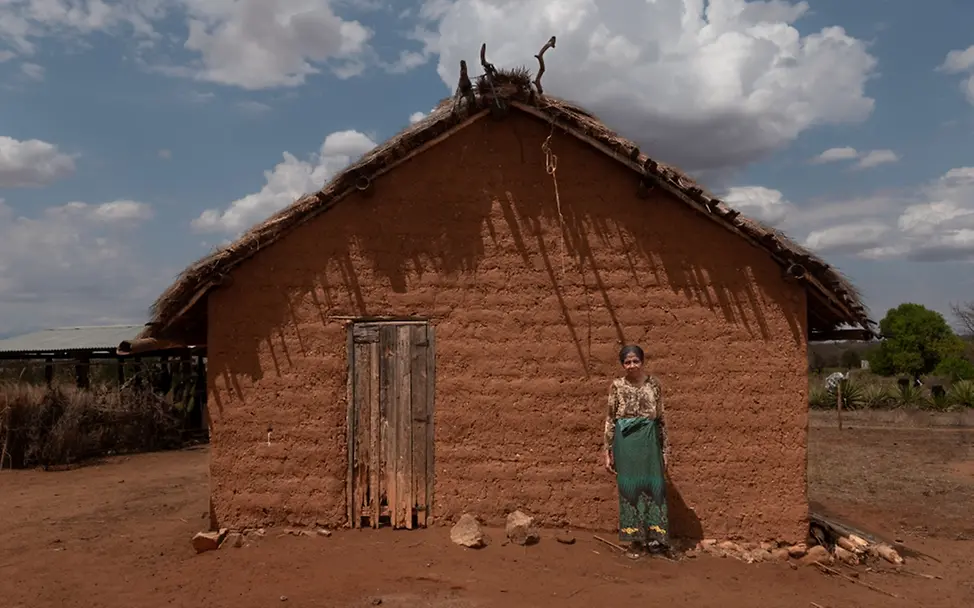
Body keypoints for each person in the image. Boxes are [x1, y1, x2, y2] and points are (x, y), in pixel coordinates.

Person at [603, 344, 670, 559]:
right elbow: (611, 418)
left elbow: (661, 418)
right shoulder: (617, 386)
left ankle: (655, 540)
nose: (631, 365)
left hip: (650, 440)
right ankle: (636, 540)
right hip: (626, 442)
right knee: (630, 488)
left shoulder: (654, 385)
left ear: (642, 361)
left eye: (635, 361)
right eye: (627, 362)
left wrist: (665, 450)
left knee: (653, 486)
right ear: (623, 364)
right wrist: (608, 450)